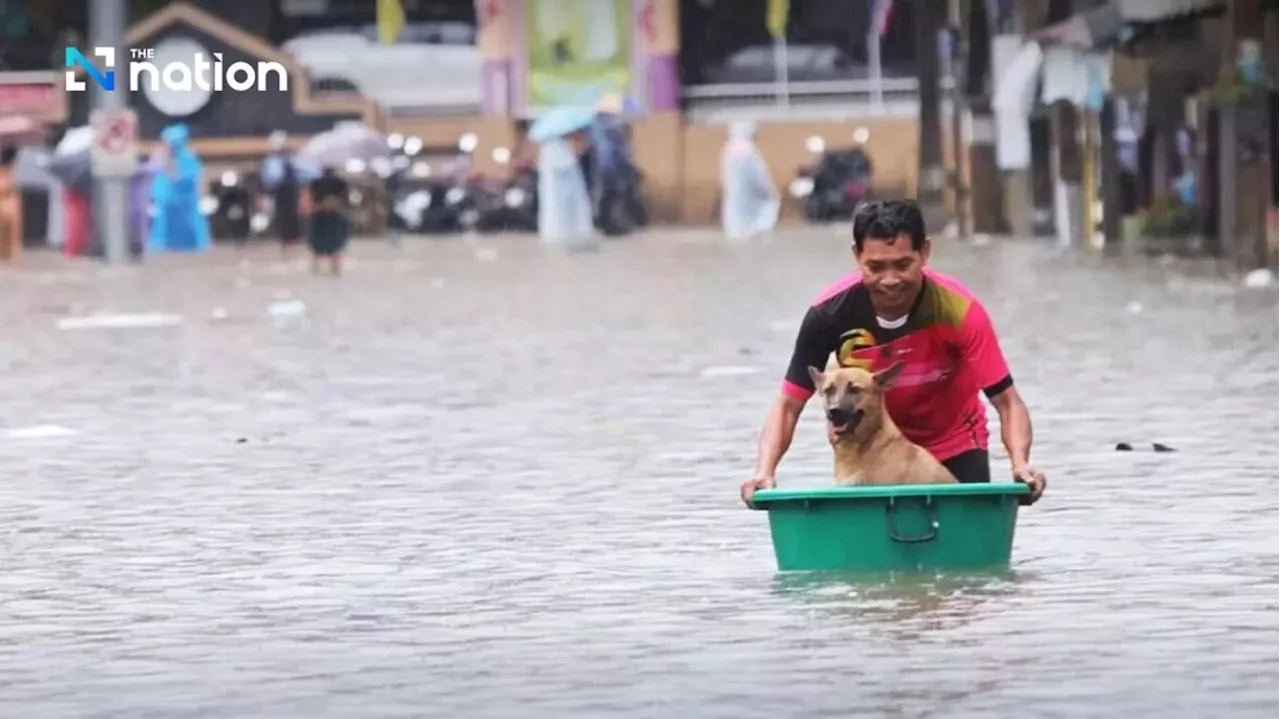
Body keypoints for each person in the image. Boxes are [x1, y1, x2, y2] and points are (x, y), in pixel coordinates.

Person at [740, 200, 1046, 505]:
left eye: (902, 265)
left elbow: (1008, 402)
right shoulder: (829, 313)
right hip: (868, 448)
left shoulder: (960, 311)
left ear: (924, 253)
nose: (889, 280)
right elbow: (788, 405)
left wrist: (1020, 465)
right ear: (857, 257)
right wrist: (764, 472)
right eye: (875, 267)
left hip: (954, 445)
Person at [148, 123, 211, 253]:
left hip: (186, 203)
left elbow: (193, 180)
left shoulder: (188, 158)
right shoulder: (159, 158)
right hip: (167, 206)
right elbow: (156, 183)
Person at [719, 121, 779, 240]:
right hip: (751, 192)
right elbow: (758, 174)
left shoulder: (728, 149)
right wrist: (768, 188)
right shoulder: (748, 150)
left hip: (734, 196)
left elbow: (725, 174)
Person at [536, 131, 595, 247]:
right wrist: (576, 153)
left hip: (569, 188)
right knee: (561, 216)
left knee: (574, 213)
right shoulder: (552, 144)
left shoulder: (562, 143)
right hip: (559, 189)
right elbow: (563, 165)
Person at [307, 165, 350, 275]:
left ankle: (315, 266)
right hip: (335, 212)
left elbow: (311, 198)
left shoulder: (315, 183)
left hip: (319, 212)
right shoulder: (341, 183)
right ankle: (335, 266)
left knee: (318, 239)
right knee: (335, 239)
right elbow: (345, 199)